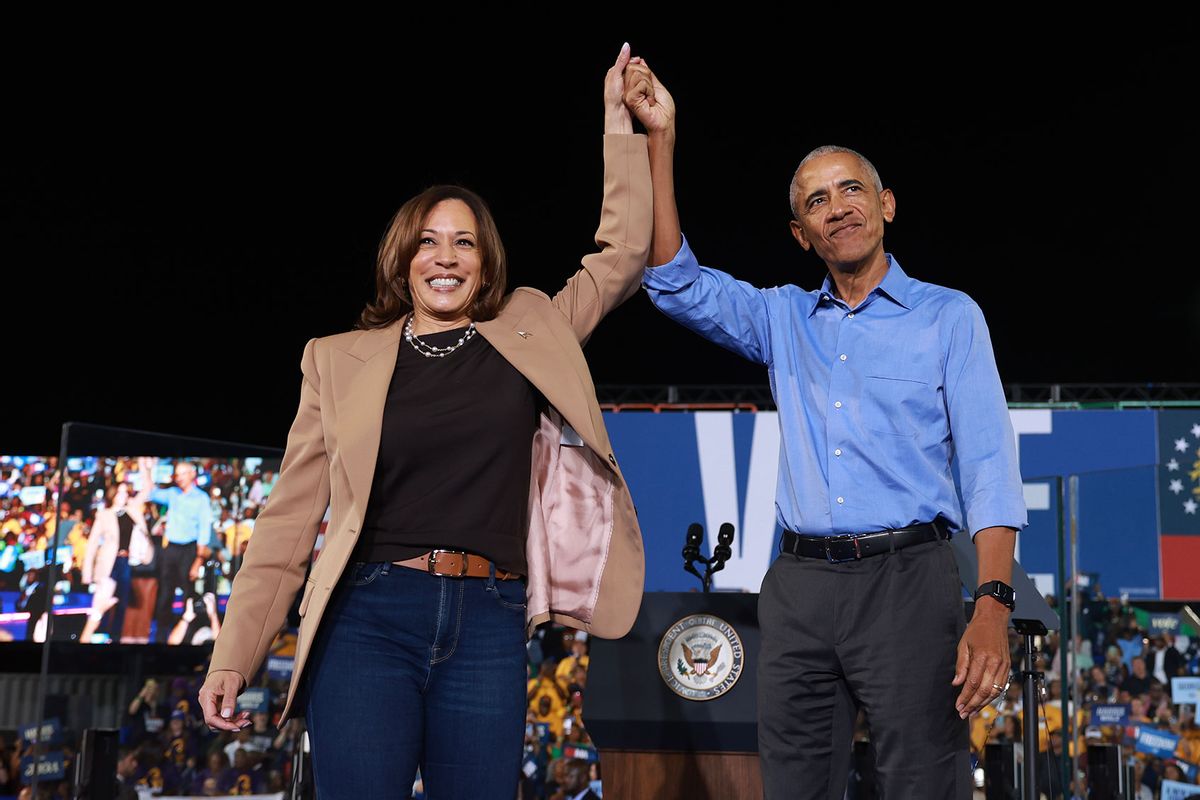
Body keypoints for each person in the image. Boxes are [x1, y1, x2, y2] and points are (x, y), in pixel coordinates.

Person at [198, 45, 652, 798]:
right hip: (368, 617)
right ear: (402, 258)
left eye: (464, 241)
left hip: (490, 620)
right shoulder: (335, 360)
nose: (446, 257)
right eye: (428, 241)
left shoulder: (531, 326)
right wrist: (232, 656)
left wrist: (618, 122)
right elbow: (287, 526)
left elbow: (624, 251)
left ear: (486, 260)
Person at [626, 59, 1026, 798]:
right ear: (800, 232)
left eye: (851, 189)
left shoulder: (949, 317)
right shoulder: (781, 318)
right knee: (796, 786)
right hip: (800, 586)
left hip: (910, 582)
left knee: (921, 785)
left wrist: (992, 604)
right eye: (817, 200)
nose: (837, 207)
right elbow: (672, 279)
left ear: (888, 205)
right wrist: (662, 136)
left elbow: (989, 470)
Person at [141, 458, 214, 641]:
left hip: (189, 550)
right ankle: (161, 635)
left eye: (183, 473)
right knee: (165, 590)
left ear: (192, 475)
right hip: (170, 549)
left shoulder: (201, 498)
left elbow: (204, 529)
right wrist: (148, 470)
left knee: (187, 591)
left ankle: (186, 633)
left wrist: (198, 560)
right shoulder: (172, 493)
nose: (179, 477)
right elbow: (151, 492)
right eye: (177, 474)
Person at [79, 479, 153, 642]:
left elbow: (147, 488)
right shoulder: (104, 514)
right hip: (108, 563)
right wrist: (87, 573)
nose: (123, 495)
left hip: (125, 562)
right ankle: (97, 636)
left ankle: (115, 639)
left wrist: (145, 464)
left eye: (126, 492)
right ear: (112, 494)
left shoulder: (132, 511)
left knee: (122, 604)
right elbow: (92, 544)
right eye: (119, 492)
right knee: (103, 602)